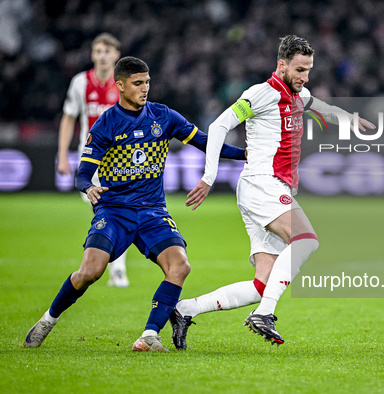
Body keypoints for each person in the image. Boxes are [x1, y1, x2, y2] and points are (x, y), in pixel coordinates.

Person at [24, 56, 247, 352]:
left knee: (179, 266)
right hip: (115, 211)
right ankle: (48, 320)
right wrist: (88, 187)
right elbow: (82, 173)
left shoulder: (163, 116)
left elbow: (207, 143)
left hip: (153, 211)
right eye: (138, 83)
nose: (145, 89)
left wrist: (246, 154)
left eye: (148, 82)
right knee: (89, 272)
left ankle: (149, 335)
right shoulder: (106, 124)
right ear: (120, 85)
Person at [170, 35, 374, 349]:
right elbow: (221, 125)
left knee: (261, 284)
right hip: (261, 183)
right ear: (281, 65)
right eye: (300, 69)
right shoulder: (261, 94)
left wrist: (350, 119)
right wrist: (209, 176)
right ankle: (264, 314)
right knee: (306, 240)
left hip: (269, 189)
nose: (305, 77)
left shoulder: (300, 94)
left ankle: (185, 309)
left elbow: (324, 109)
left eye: (309, 70)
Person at [56, 33, 129, 288]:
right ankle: (109, 262)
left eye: (107, 51)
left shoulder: (123, 83)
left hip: (121, 159)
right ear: (92, 55)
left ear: (116, 55)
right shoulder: (80, 83)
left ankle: (117, 268)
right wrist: (63, 155)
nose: (103, 56)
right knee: (99, 208)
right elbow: (68, 118)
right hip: (91, 158)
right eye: (98, 51)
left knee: (113, 209)